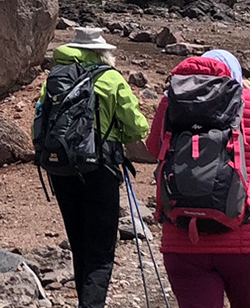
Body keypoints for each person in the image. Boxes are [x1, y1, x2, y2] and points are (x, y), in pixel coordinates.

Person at [152, 49, 250, 308]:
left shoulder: (170, 103)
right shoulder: (249, 101)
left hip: (184, 238)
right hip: (247, 237)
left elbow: (155, 149)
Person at [38, 28, 150, 308]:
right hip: (101, 170)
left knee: (79, 243)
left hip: (61, 169)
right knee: (100, 250)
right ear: (103, 52)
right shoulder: (111, 79)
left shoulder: (55, 78)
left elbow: (40, 121)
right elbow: (137, 126)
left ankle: (85, 302)